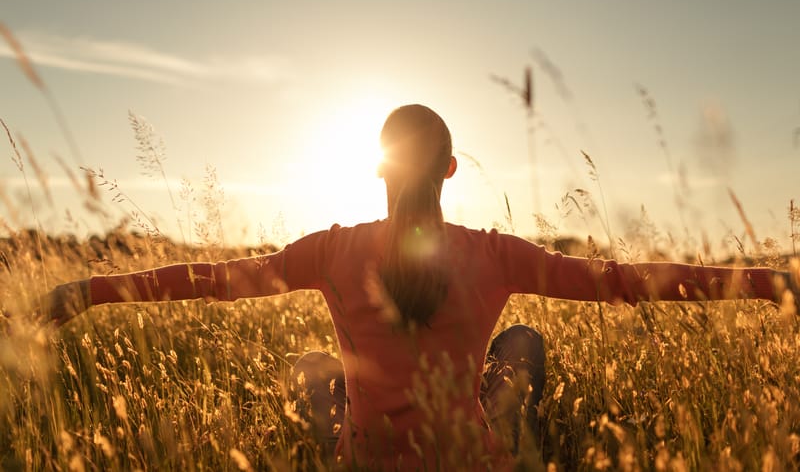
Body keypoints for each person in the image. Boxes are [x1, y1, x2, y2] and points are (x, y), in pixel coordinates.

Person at [46, 104, 796, 470]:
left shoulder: (331, 251)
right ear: (450, 169)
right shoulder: (495, 255)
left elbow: (212, 282)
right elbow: (627, 282)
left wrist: (93, 290)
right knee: (524, 343)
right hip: (466, 456)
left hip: (369, 457)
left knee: (312, 366)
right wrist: (769, 282)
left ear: (378, 169)